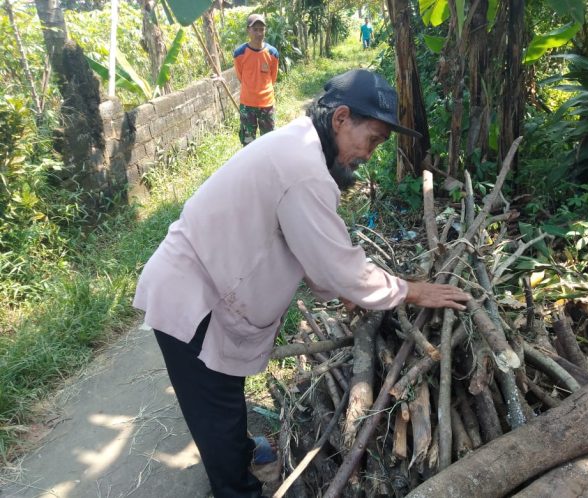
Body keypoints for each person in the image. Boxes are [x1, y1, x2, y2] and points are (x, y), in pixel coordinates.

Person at [133, 69, 471, 497]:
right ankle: (237, 489)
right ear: (341, 118)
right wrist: (410, 290)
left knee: (223, 393)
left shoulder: (300, 146)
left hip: (209, 286)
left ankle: (239, 451)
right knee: (213, 409)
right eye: (373, 139)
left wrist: (346, 288)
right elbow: (335, 263)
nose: (370, 153)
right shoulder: (304, 168)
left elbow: (305, 245)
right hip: (193, 297)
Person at [233, 13, 279, 146]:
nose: (259, 33)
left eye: (262, 29)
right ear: (248, 30)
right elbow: (240, 76)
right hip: (247, 105)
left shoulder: (273, 53)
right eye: (255, 29)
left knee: (269, 141)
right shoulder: (239, 54)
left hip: (267, 103)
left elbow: (273, 77)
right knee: (248, 143)